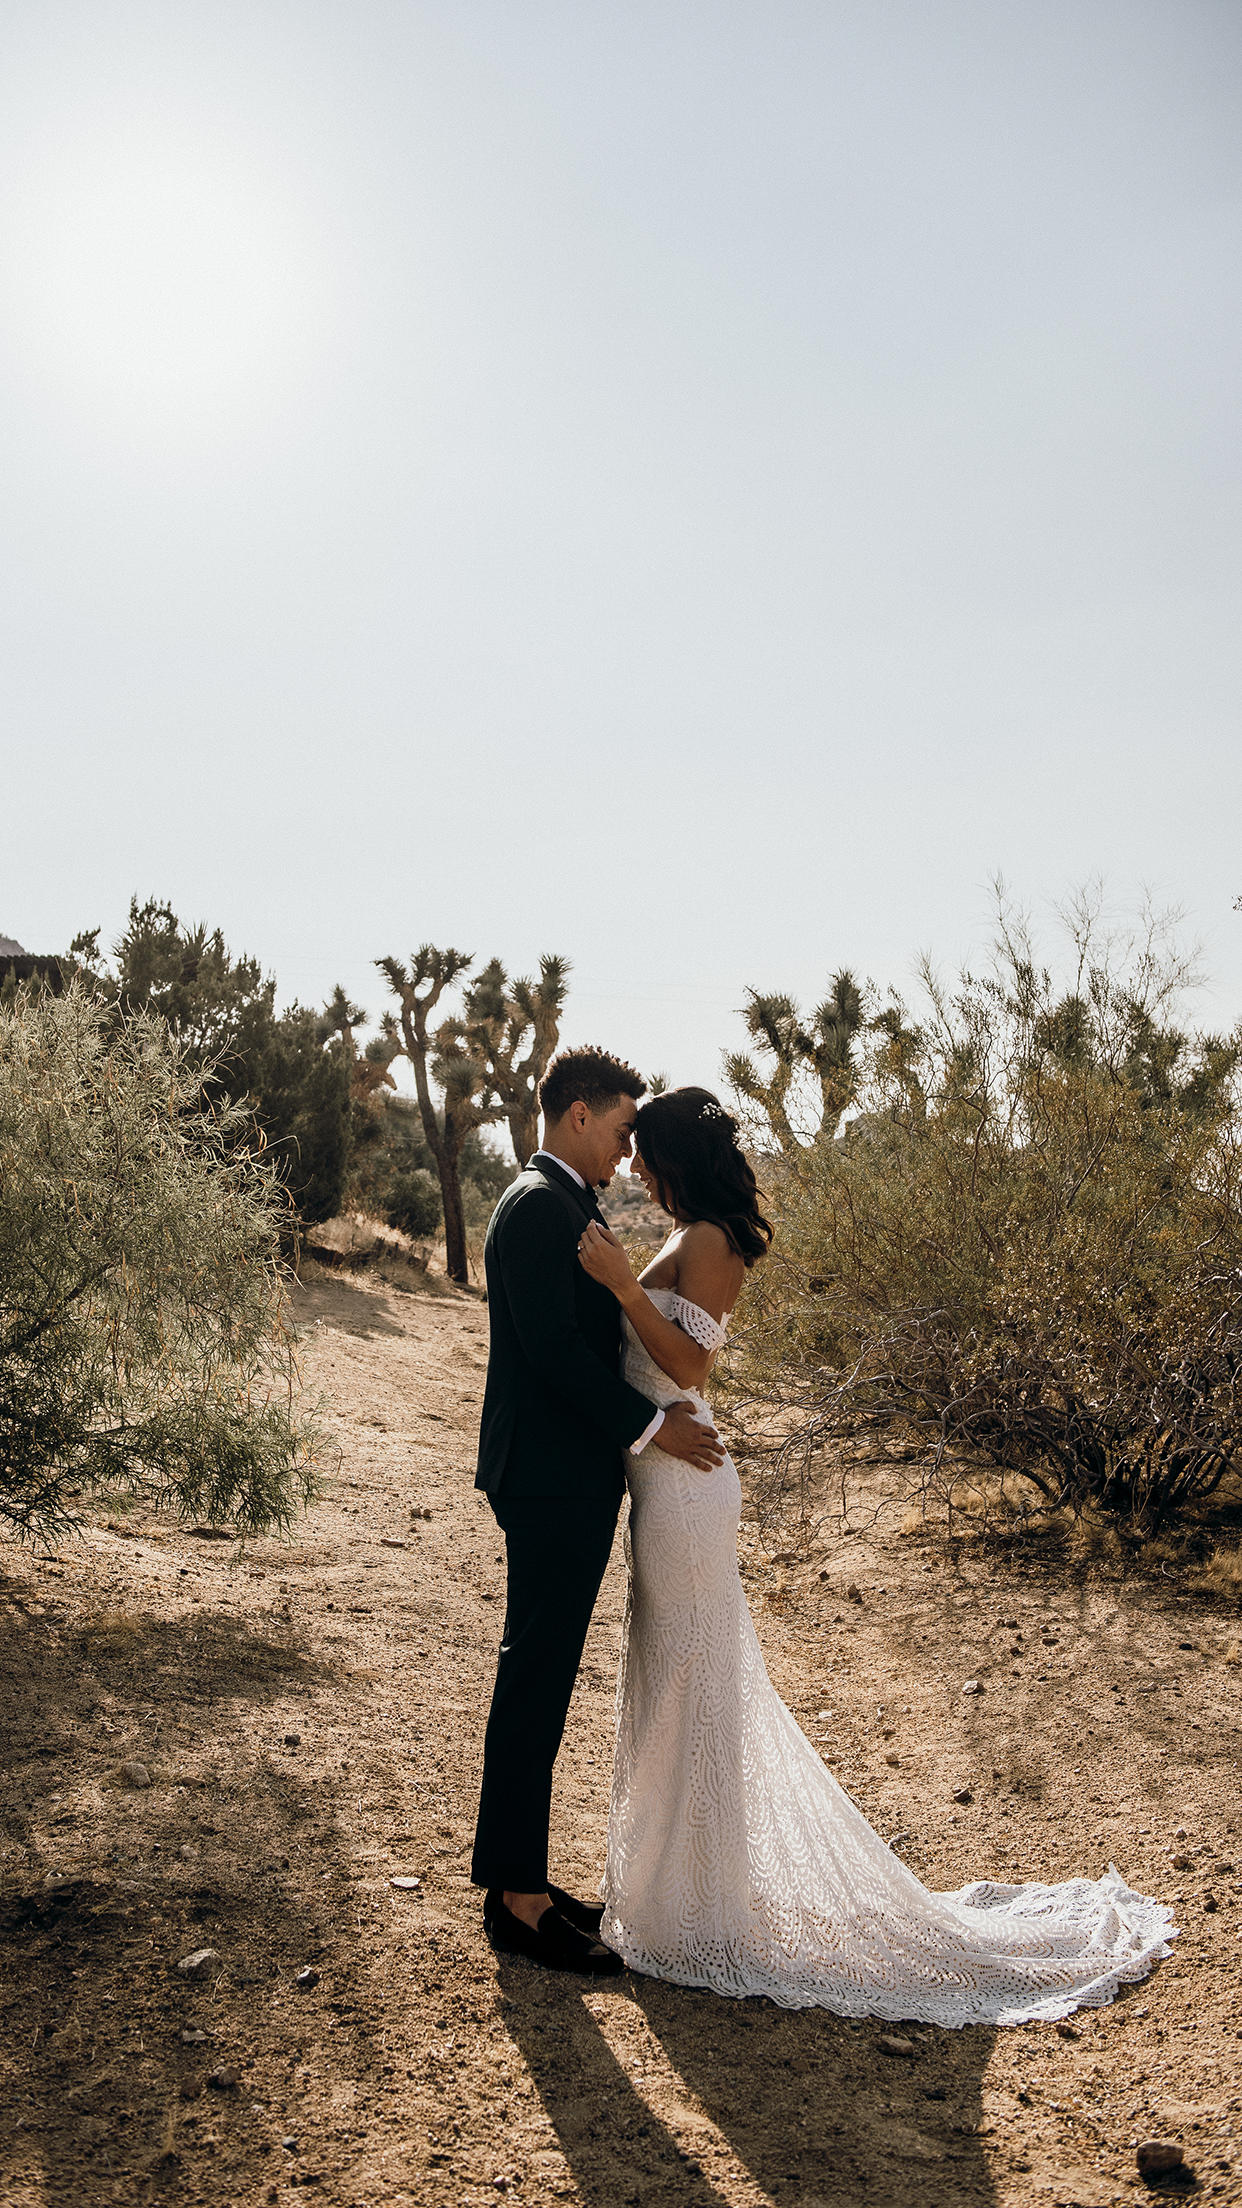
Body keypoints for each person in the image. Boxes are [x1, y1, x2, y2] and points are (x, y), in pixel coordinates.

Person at [577, 1085, 1177, 2025]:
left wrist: (619, 1287)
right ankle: (688, 1897)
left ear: (673, 1160)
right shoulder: (699, 1232)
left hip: (686, 1486)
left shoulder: (709, 1241)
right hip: (668, 1475)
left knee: (695, 1683)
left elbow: (690, 1369)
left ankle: (700, 1909)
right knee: (678, 1681)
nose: (640, 1176)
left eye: (647, 1159)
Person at [470, 1048, 725, 1975]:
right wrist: (654, 1425)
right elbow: (552, 1353)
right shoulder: (541, 1206)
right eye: (621, 1130)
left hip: (560, 1474)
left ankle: (517, 1879)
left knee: (539, 1674)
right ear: (578, 1114)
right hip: (550, 1478)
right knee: (535, 1675)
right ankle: (518, 1901)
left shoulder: (551, 1199)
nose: (626, 1153)